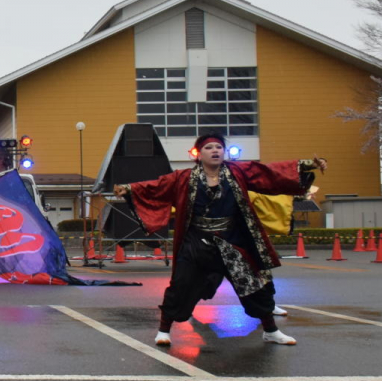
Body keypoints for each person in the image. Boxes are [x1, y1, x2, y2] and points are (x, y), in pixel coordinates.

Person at [114, 134, 327, 346]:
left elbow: (270, 173)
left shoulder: (237, 172)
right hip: (197, 240)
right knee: (181, 284)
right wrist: (130, 189)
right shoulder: (183, 177)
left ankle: (270, 330)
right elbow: (156, 186)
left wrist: (309, 165)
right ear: (198, 153)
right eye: (209, 148)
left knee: (253, 285)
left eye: (219, 147)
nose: (215, 150)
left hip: (231, 239)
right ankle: (164, 330)